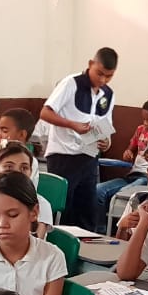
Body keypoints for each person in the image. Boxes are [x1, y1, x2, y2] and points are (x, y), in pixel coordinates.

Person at [40, 47, 118, 231]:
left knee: (86, 211)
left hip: (89, 158)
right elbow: (45, 112)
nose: (103, 80)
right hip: (63, 157)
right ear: (90, 64)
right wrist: (72, 124)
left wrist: (106, 142)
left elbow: (106, 127)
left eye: (109, 76)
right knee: (64, 211)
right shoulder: (70, 84)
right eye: (99, 74)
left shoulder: (108, 94)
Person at [95, 98, 148, 227]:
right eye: (143, 119)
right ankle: (100, 228)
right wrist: (128, 152)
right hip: (132, 174)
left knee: (124, 192)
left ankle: (121, 229)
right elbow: (131, 149)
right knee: (99, 190)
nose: (145, 123)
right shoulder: (140, 131)